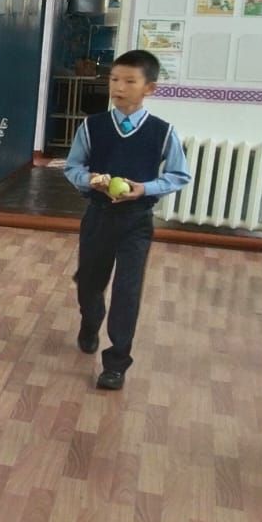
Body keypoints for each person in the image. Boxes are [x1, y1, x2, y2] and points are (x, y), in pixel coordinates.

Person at [64, 50, 191, 391]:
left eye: (129, 81)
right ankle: (90, 321)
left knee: (127, 291)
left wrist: (145, 188)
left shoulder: (163, 132)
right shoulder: (92, 126)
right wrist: (89, 180)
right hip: (98, 217)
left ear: (149, 88)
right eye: (114, 79)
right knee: (89, 283)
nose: (119, 87)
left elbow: (179, 175)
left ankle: (117, 363)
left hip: (137, 221)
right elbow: (72, 167)